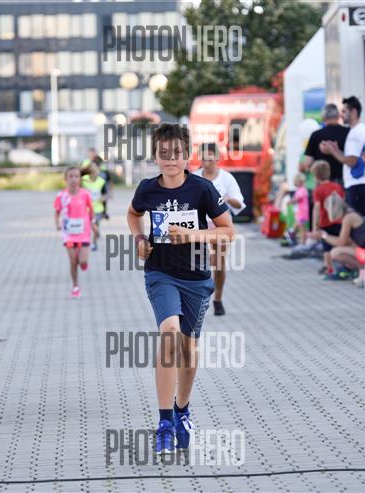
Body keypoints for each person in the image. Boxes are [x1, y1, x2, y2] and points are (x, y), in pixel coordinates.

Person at [127, 124, 234, 455]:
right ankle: (164, 422)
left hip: (196, 279)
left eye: (177, 152)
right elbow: (133, 213)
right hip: (160, 274)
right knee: (169, 333)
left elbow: (228, 231)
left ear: (187, 155)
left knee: (188, 352)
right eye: (163, 153)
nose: (170, 159)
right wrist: (140, 238)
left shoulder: (202, 189)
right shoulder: (147, 189)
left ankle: (182, 410)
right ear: (155, 156)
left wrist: (192, 235)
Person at [194, 142, 245, 316]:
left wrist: (228, 199)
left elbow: (239, 203)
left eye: (209, 158)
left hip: (220, 223)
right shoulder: (194, 177)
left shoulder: (226, 178)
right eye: (202, 158)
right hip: (200, 223)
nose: (205, 162)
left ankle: (218, 298)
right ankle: (198, 297)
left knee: (218, 261)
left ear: (217, 158)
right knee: (197, 261)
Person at [319, 96, 365, 216]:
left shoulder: (356, 133)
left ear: (354, 112)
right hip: (357, 184)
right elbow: (351, 157)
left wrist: (332, 151)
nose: (341, 115)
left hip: (357, 184)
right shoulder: (357, 131)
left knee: (355, 219)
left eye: (344, 111)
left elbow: (351, 161)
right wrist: (335, 150)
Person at [54, 166, 95, 299]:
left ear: (80, 179)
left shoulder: (85, 194)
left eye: (76, 176)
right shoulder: (62, 196)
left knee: (82, 260)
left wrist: (93, 223)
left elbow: (91, 209)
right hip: (69, 233)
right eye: (70, 176)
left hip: (83, 232)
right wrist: (57, 223)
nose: (73, 179)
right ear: (66, 179)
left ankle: (83, 263)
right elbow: (57, 212)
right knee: (73, 261)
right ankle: (75, 286)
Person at [318, 193, 365, 280]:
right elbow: (347, 241)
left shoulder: (348, 218)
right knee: (338, 250)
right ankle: (361, 270)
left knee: (335, 253)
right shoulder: (350, 214)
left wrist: (324, 236)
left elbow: (341, 242)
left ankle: (364, 269)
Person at [310, 160, 345, 276]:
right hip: (339, 220)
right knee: (339, 243)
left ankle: (329, 268)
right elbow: (343, 202)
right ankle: (343, 266)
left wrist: (315, 226)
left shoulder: (318, 190)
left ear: (315, 176)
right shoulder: (337, 186)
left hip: (325, 222)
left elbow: (317, 208)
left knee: (327, 247)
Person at [300, 103, 350, 184]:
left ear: (323, 118)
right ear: (338, 116)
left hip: (322, 182)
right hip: (344, 180)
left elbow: (308, 162)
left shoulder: (316, 135)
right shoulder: (348, 132)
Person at [81, 162, 106, 251]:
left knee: (95, 226)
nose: (97, 170)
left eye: (97, 168)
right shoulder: (83, 180)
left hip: (98, 209)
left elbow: (105, 194)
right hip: (86, 209)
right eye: (94, 168)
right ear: (90, 171)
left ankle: (94, 242)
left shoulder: (101, 181)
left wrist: (103, 198)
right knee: (89, 226)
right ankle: (89, 239)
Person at [288, 173, 309, 246]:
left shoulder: (302, 190)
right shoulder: (301, 189)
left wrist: (290, 201)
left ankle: (301, 241)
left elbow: (297, 198)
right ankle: (293, 234)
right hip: (302, 211)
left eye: (295, 182)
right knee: (300, 225)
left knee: (301, 227)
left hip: (302, 211)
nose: (294, 183)